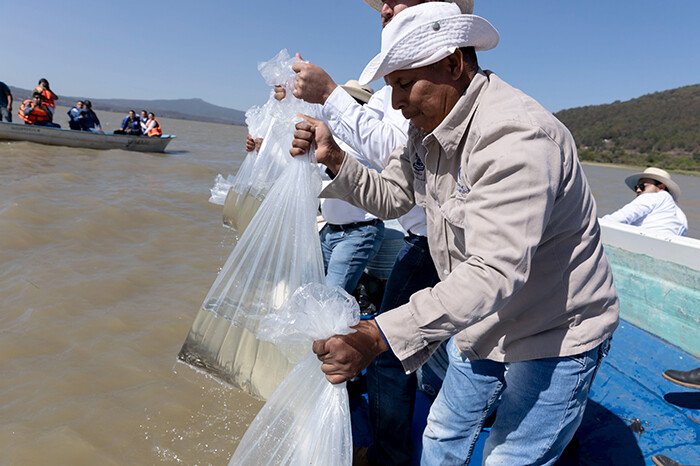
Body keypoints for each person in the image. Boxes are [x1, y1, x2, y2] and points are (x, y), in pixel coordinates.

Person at [291, 3, 619, 464]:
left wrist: (375, 334)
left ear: (453, 64)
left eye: (405, 84)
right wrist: (335, 158)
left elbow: (493, 272)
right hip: (484, 320)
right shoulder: (424, 131)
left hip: (555, 329)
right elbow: (393, 196)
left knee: (513, 455)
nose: (398, 102)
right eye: (392, 87)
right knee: (442, 434)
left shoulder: (515, 136)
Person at [602, 167, 688, 236]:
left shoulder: (651, 197)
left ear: (661, 187)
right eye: (637, 187)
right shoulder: (681, 216)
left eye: (643, 186)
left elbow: (618, 218)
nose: (638, 190)